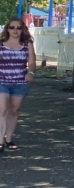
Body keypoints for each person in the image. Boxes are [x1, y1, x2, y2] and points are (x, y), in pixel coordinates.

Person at [0, 18, 36, 152]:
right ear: (7, 29)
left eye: (18, 28)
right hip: (2, 80)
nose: (15, 30)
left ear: (22, 30)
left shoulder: (27, 43)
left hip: (20, 82)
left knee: (14, 110)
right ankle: (0, 141)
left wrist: (30, 72)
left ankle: (9, 139)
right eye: (12, 27)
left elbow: (32, 62)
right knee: (2, 110)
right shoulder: (1, 43)